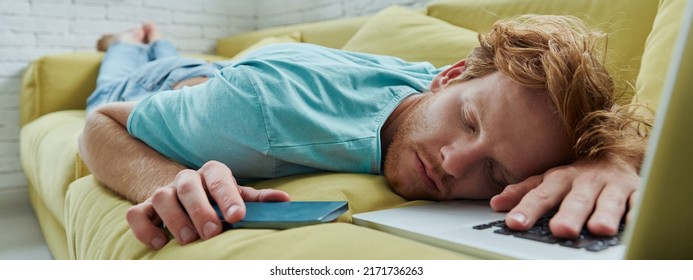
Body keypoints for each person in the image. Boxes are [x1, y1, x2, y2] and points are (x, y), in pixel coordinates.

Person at [78, 16, 651, 251]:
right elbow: (100, 125)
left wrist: (612, 159)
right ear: (449, 76)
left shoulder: (459, 91)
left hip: (218, 81)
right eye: (468, 121)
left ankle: (163, 42)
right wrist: (170, 177)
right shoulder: (258, 114)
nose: (455, 163)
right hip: (168, 90)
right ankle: (133, 41)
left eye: (497, 172)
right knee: (122, 72)